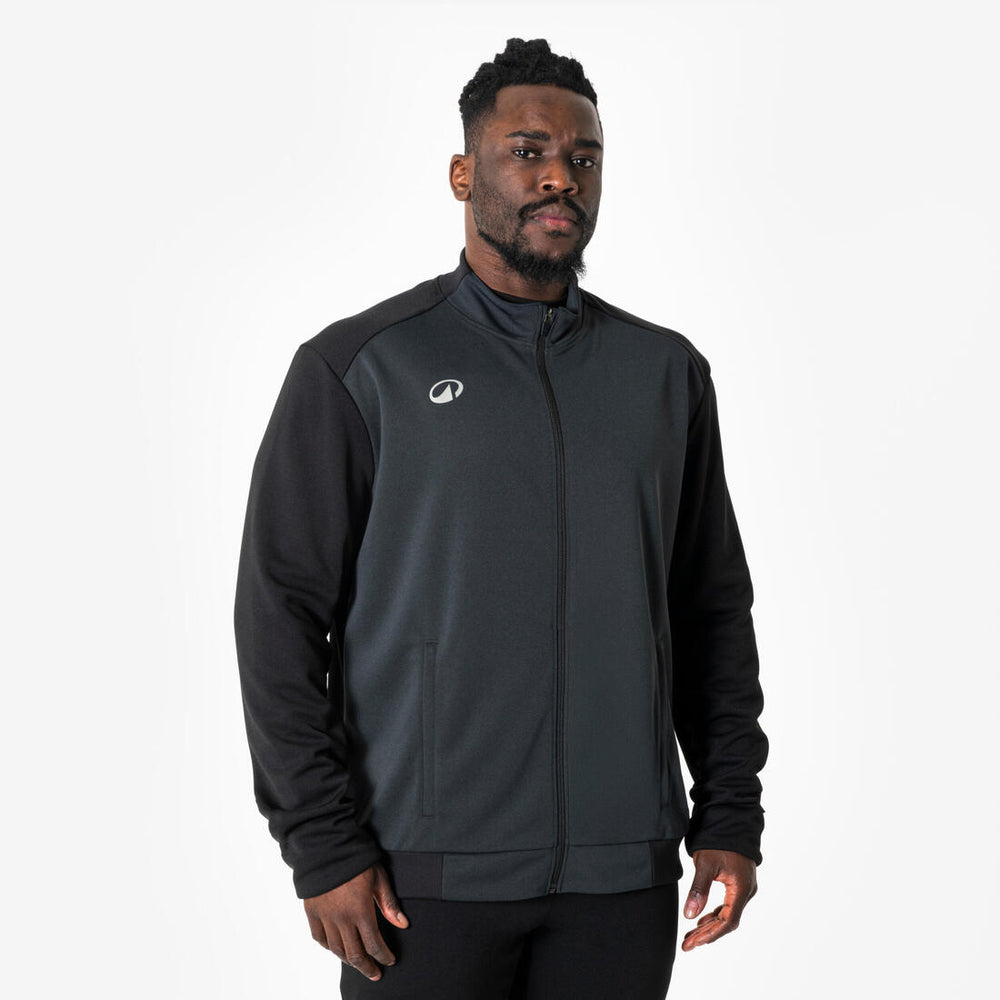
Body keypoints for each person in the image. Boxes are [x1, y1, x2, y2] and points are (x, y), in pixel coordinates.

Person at [233, 37, 769, 1000]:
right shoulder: (361, 368)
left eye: (584, 157)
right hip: (419, 880)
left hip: (622, 880)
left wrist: (729, 815)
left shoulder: (665, 374)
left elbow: (710, 611)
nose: (561, 176)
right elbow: (279, 617)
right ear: (462, 173)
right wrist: (322, 846)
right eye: (527, 151)